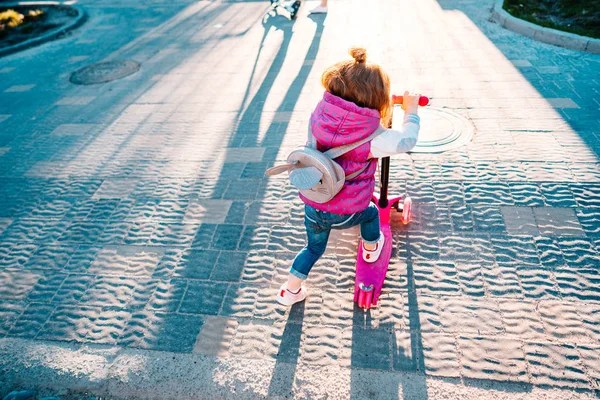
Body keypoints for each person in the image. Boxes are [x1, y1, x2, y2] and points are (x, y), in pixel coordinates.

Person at [276, 47, 422, 306]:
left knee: (312, 249)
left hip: (314, 201)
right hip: (347, 210)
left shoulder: (318, 116)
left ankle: (290, 291)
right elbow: (406, 141)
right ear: (378, 98)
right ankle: (370, 248)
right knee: (372, 213)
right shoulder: (373, 137)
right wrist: (410, 111)